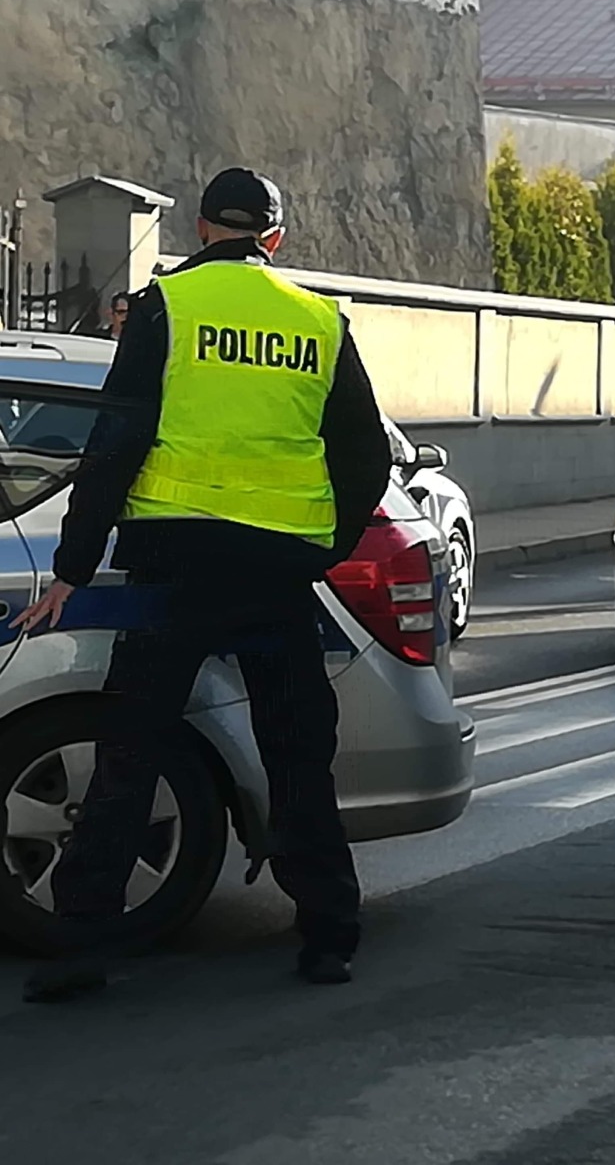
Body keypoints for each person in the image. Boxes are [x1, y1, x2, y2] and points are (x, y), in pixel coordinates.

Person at [12, 167, 392, 1003]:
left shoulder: (165, 308)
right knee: (299, 755)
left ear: (199, 227)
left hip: (175, 567)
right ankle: (329, 935)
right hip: (278, 570)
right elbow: (367, 455)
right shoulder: (318, 321)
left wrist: (72, 568)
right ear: (275, 238)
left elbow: (114, 444)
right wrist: (320, 545)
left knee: (130, 752)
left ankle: (82, 947)